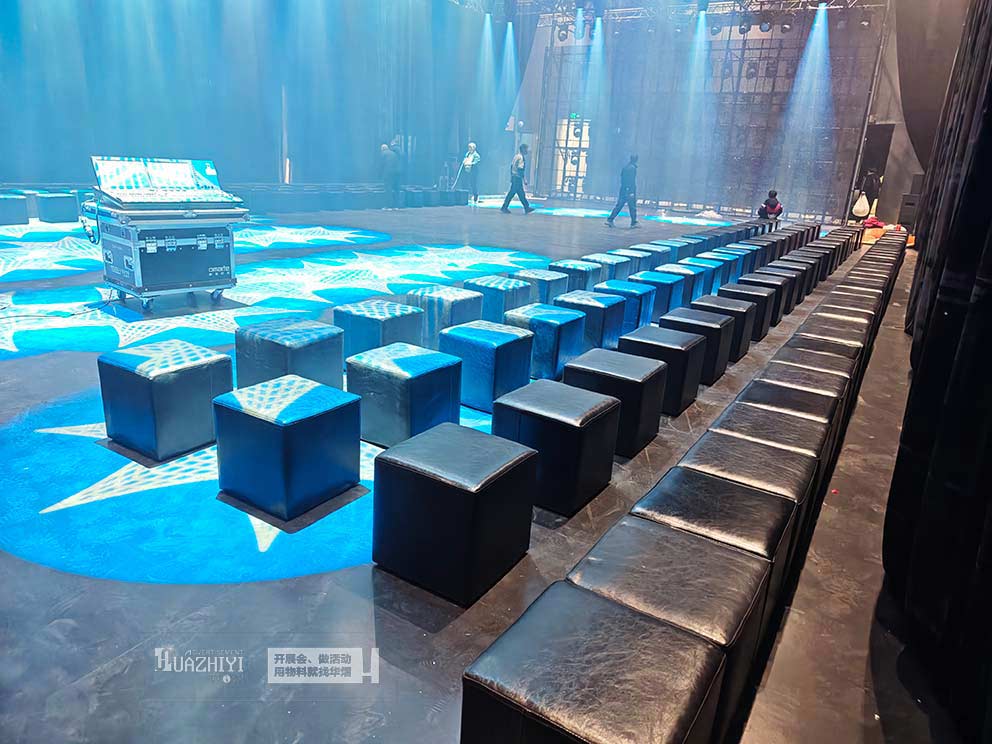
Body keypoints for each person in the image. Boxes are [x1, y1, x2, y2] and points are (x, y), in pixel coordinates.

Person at [606, 154, 639, 228]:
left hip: (623, 189)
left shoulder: (626, 167)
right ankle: (633, 222)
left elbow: (622, 178)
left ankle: (610, 219)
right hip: (629, 190)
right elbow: (631, 181)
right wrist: (631, 191)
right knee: (632, 207)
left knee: (619, 205)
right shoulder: (632, 168)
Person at [500, 144, 534, 214]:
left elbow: (511, 166)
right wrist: (524, 179)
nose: (527, 151)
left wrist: (512, 176)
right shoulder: (521, 158)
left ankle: (526, 207)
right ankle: (504, 207)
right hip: (517, 178)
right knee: (512, 193)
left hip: (514, 177)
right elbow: (520, 169)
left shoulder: (516, 156)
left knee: (520, 193)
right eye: (526, 149)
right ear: (523, 149)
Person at [380, 143, 401, 209]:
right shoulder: (394, 154)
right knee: (396, 189)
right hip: (396, 174)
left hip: (388, 174)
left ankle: (388, 206)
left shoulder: (383, 154)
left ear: (382, 149)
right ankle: (396, 206)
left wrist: (380, 175)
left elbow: (381, 165)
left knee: (388, 189)